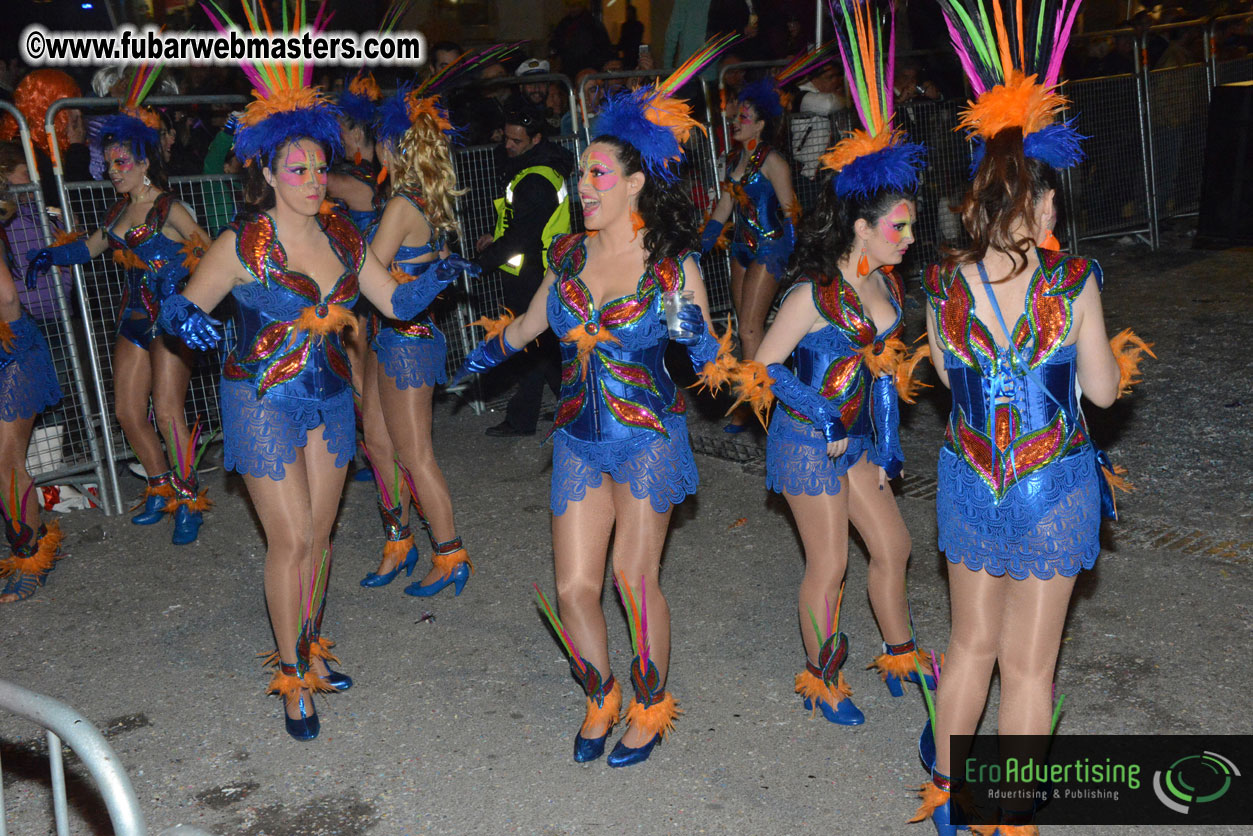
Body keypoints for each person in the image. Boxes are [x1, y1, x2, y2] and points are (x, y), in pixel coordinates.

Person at [158, 4, 471, 741]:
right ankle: (293, 675)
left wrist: (432, 283)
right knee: (291, 538)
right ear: (265, 170)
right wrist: (187, 321)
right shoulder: (241, 242)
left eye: (319, 166)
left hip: (331, 399)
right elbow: (181, 306)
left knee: (323, 536)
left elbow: (389, 296)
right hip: (260, 398)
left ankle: (314, 650)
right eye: (295, 168)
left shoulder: (338, 228)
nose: (310, 178)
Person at [458, 35, 737, 767]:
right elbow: (524, 327)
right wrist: (472, 360)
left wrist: (691, 332)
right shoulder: (569, 256)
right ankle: (600, 692)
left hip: (646, 436)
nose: (583, 186)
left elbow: (710, 362)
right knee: (574, 586)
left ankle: (648, 704)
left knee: (631, 578)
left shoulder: (672, 262)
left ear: (637, 182)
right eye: (582, 173)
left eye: (597, 175)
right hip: (579, 437)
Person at [912, 2, 1153, 831]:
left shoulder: (942, 285)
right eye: (1052, 206)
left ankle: (946, 796)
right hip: (1050, 484)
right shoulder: (1072, 279)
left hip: (971, 478)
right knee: (1028, 667)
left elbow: (945, 374)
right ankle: (1007, 814)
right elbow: (1101, 394)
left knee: (968, 646)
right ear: (1040, 206)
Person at [738, 0, 934, 729]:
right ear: (860, 226)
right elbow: (762, 370)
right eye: (898, 226)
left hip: (850, 440)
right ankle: (823, 679)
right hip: (803, 438)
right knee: (830, 566)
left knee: (896, 544)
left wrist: (880, 447)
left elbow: (881, 374)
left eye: (911, 225)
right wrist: (821, 415)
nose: (909, 236)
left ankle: (899, 652)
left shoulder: (884, 282)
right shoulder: (810, 295)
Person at [25, 69, 212, 545]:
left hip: (169, 322)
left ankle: (189, 497)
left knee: (168, 411)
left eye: (121, 161)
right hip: (132, 318)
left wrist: (187, 290)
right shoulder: (115, 212)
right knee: (128, 411)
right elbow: (89, 248)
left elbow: (210, 252)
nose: (113, 170)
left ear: (143, 162)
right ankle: (159, 486)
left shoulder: (169, 208)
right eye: (108, 163)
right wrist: (50, 254)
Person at [358, 79, 474, 597]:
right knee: (379, 445)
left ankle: (450, 554)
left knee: (414, 454)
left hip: (407, 340)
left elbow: (369, 269)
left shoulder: (404, 204)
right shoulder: (408, 199)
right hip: (385, 335)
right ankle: (397, 541)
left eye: (379, 140)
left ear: (392, 146)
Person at [702, 55, 812, 431]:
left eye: (743, 118)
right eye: (736, 117)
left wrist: (792, 252)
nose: (735, 121)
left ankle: (757, 404)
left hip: (769, 248)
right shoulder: (736, 159)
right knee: (745, 324)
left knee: (749, 328)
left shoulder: (773, 161)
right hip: (741, 249)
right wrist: (706, 238)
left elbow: (790, 210)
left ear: (762, 124)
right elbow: (725, 205)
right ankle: (760, 392)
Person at [472, 104, 572, 437]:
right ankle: (544, 413)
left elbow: (523, 237)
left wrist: (481, 265)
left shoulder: (535, 179)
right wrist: (496, 238)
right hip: (535, 270)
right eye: (507, 138)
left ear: (536, 138)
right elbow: (519, 226)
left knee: (535, 346)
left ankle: (558, 412)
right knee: (540, 349)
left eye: (517, 140)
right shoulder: (534, 169)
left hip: (535, 274)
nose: (509, 145)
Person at [0, 182, 64, 604]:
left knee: (6, 462)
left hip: (12, 352)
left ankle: (28, 559)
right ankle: (39, 537)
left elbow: (6, 297)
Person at [618, 4, 645, 69]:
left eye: (629, 13)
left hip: (633, 53)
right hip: (629, 53)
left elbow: (624, 39)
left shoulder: (636, 25)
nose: (628, 15)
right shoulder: (628, 25)